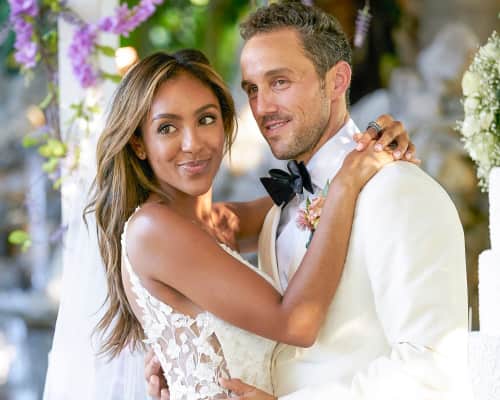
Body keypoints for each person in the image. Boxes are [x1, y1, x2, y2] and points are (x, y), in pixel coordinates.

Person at [147, 2, 471, 400]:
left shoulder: (399, 192)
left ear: (336, 81)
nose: (262, 107)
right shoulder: (279, 206)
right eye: (252, 89)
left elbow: (433, 371)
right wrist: (188, 355)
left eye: (279, 82)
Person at [83, 45, 416, 400]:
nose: (192, 143)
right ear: (138, 143)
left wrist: (370, 143)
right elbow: (297, 324)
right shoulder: (154, 230)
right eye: (167, 128)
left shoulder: (219, 222)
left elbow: (309, 197)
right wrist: (346, 183)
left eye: (206, 119)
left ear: (225, 124)